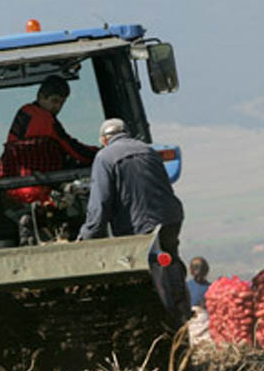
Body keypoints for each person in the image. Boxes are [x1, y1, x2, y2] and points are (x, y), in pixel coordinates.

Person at [79, 118, 191, 322]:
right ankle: (182, 314)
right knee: (170, 260)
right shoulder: (147, 150)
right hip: (170, 218)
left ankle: (162, 318)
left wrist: (87, 237)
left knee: (144, 274)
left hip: (141, 225)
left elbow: (101, 203)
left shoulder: (104, 157)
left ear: (104, 140)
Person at [0, 75, 99, 206]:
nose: (58, 107)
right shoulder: (45, 119)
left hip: (15, 183)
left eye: (62, 103)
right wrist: (98, 154)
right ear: (40, 96)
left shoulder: (25, 111)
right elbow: (72, 148)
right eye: (54, 101)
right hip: (37, 184)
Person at [186, 257, 212, 345]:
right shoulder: (186, 287)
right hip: (192, 321)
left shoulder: (211, 288)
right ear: (191, 271)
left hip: (206, 322)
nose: (197, 272)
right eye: (195, 268)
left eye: (199, 268)